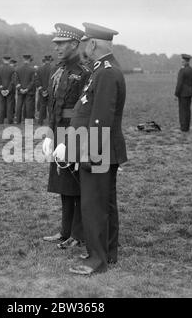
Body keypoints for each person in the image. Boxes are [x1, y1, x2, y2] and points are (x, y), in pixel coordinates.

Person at [52, 23, 128, 275]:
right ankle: (107, 252)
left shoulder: (106, 72)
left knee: (95, 205)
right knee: (104, 203)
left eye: (86, 43)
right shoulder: (101, 70)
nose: (84, 47)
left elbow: (100, 119)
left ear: (93, 44)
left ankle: (97, 259)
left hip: (97, 149)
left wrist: (87, 152)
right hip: (99, 147)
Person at [42, 23, 91, 250]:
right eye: (56, 44)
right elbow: (53, 106)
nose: (57, 48)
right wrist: (50, 135)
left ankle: (78, 235)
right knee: (63, 184)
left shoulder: (84, 73)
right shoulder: (58, 70)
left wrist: (71, 140)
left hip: (76, 133)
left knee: (76, 184)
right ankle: (65, 231)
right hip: (59, 131)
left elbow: (84, 111)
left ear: (74, 44)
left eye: (62, 44)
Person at [174, 54, 192, 132]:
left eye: (183, 61)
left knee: (182, 111)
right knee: (187, 110)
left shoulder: (182, 70)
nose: (182, 63)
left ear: (186, 61)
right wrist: (191, 90)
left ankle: (183, 128)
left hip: (182, 93)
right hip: (189, 93)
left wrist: (176, 94)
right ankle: (187, 127)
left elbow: (179, 83)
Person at [15, 55, 36, 124]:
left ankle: (18, 120)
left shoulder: (18, 69)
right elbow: (32, 81)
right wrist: (27, 89)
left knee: (19, 106)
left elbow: (16, 80)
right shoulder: (32, 70)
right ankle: (28, 121)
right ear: (29, 60)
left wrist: (20, 88)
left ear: (23, 60)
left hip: (20, 91)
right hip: (29, 91)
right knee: (28, 107)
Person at [0, 56, 16, 124]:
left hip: (2, 90)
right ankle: (10, 120)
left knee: (2, 105)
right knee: (9, 106)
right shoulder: (12, 69)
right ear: (9, 60)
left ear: (3, 60)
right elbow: (12, 81)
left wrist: (1, 89)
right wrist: (8, 90)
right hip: (9, 90)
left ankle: (1, 120)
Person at [36, 56, 53, 126]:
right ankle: (50, 121)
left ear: (44, 60)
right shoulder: (53, 69)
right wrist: (49, 90)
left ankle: (40, 121)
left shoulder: (39, 69)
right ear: (50, 61)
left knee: (42, 106)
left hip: (42, 90)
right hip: (50, 91)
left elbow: (37, 80)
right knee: (50, 106)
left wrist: (41, 90)